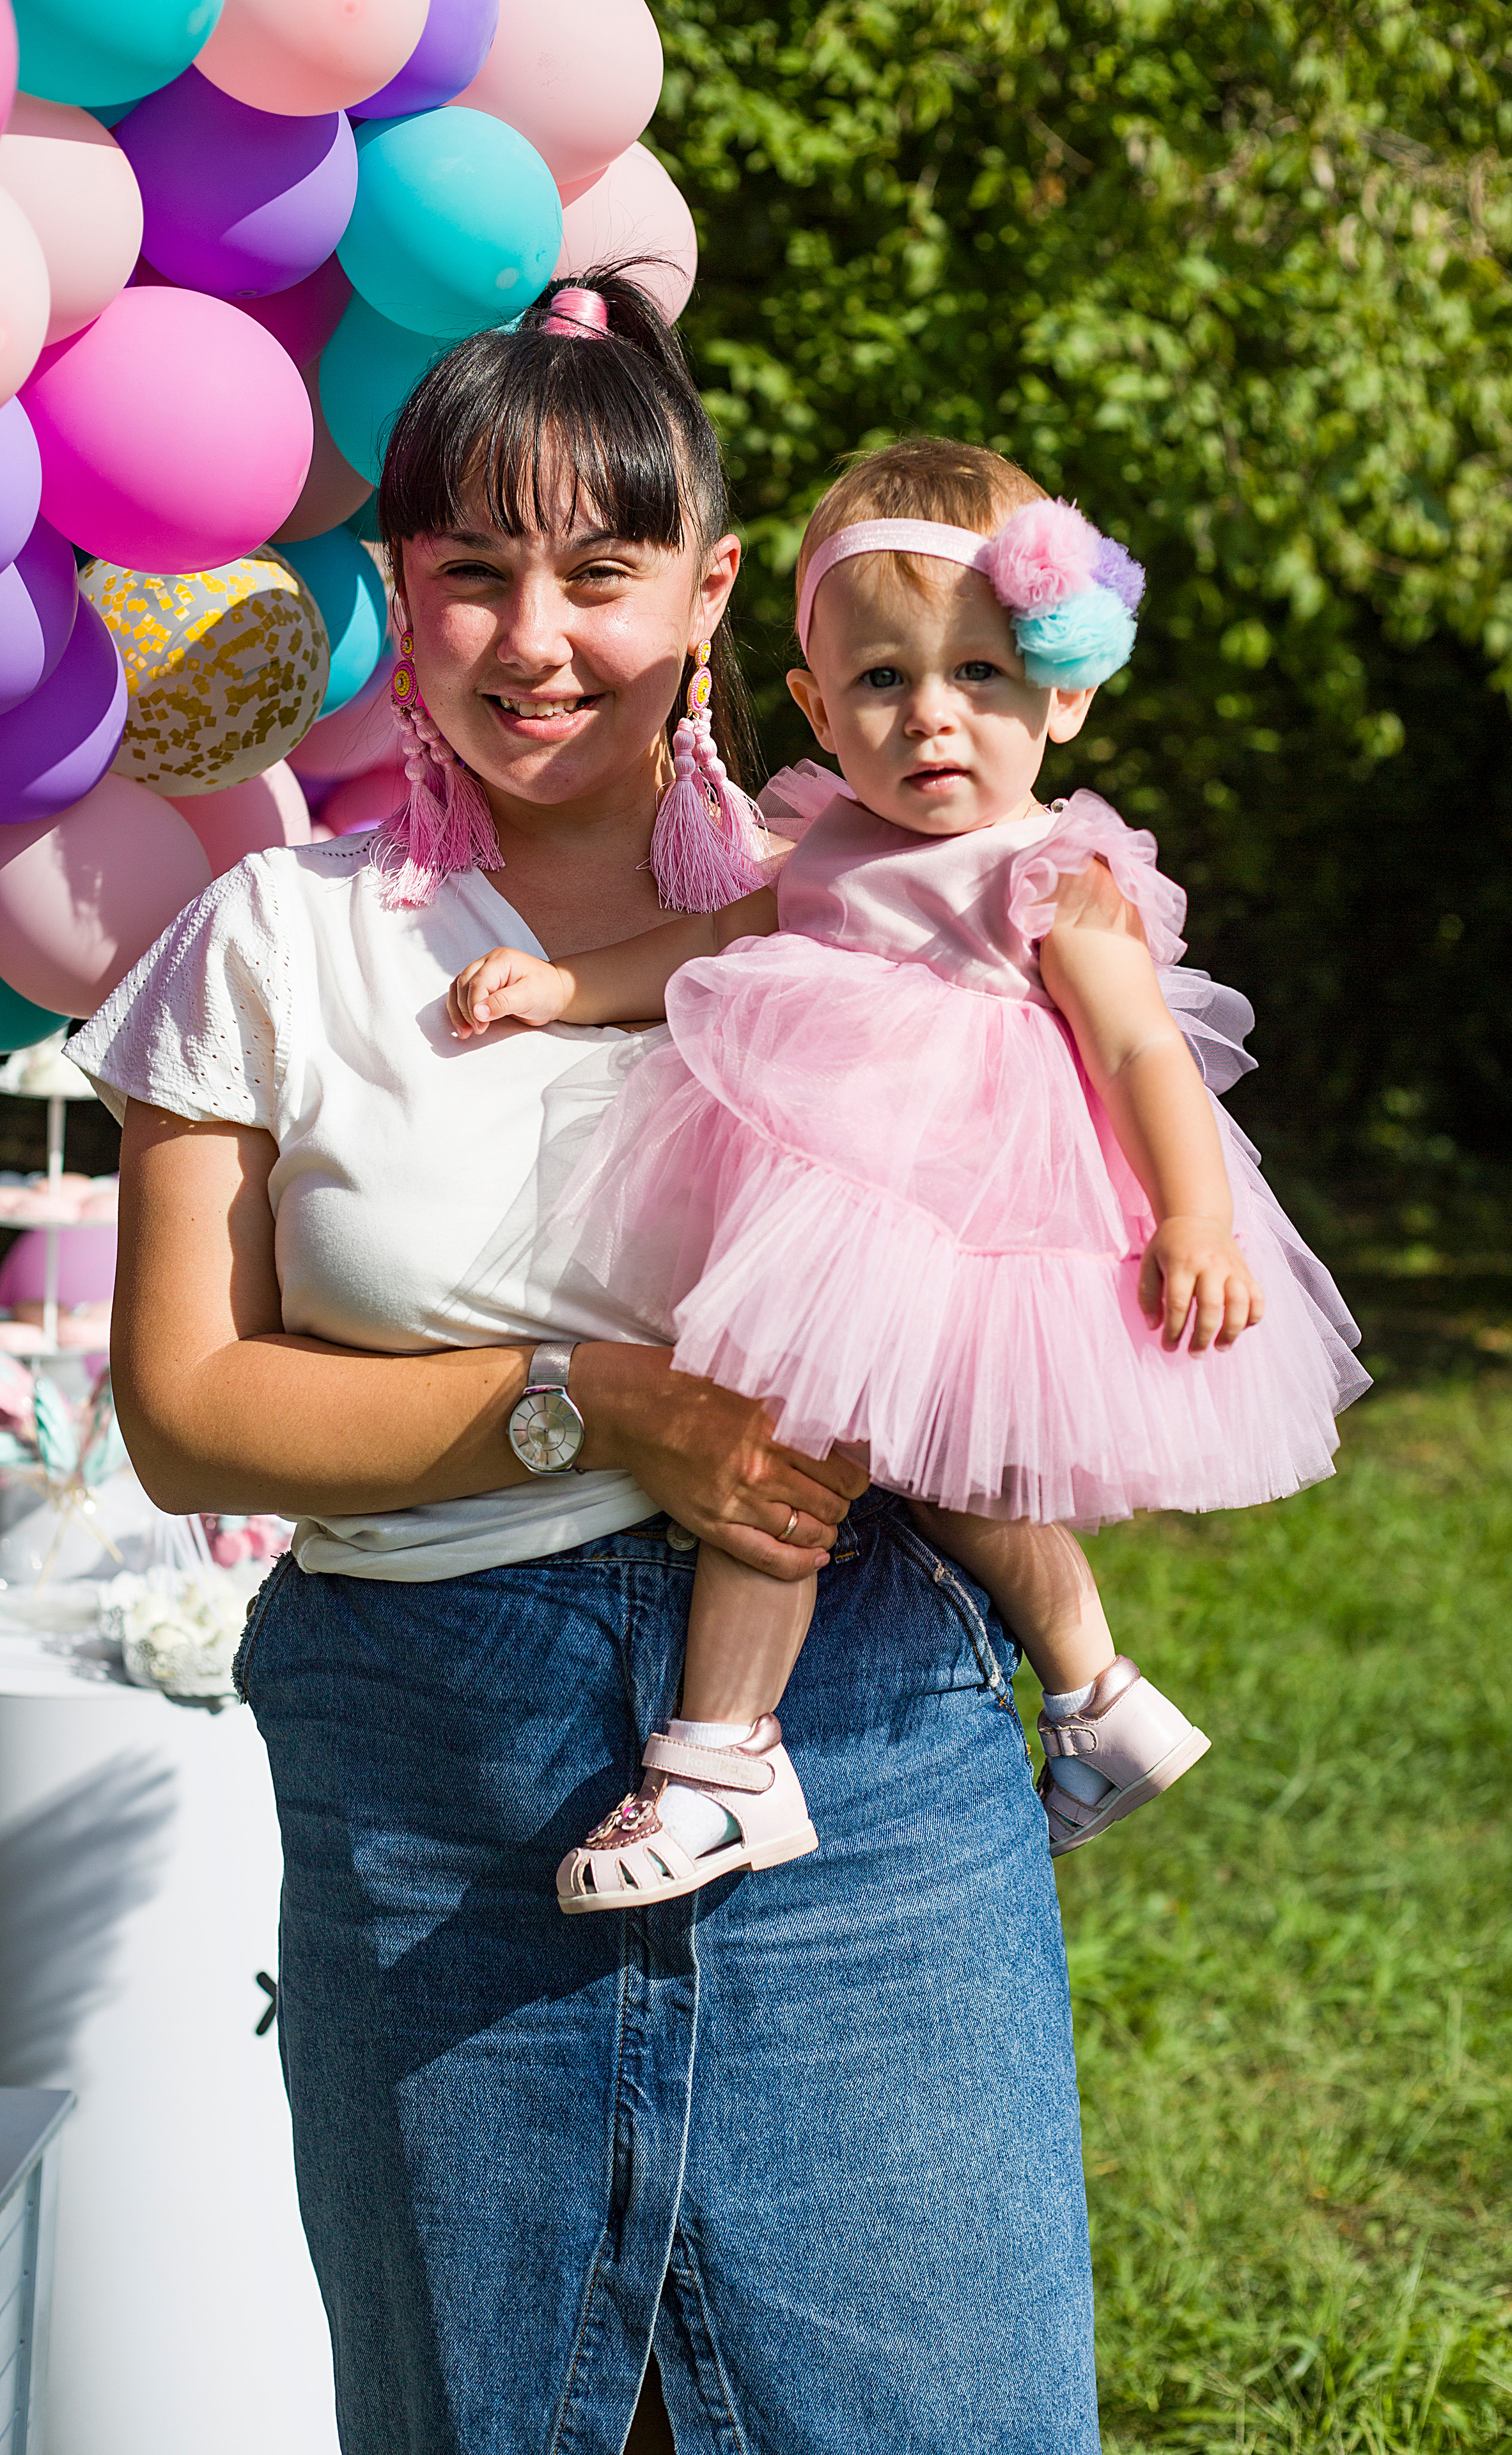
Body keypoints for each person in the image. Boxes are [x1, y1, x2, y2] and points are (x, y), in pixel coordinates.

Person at [66, 275, 1102, 2454]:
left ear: (720, 596)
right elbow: (184, 1414)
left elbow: (1060, 1278)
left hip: (856, 1757)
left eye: (604, 574)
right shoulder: (268, 943)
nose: (536, 643)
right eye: (472, 576)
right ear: (397, 590)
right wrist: (600, 1401)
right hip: (441, 1783)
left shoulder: (882, 901)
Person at [447, 436, 1369, 1912]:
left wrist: (1191, 1213)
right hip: (853, 1208)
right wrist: (564, 988)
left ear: (1060, 695)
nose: (930, 720)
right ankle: (1098, 1694)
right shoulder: (824, 843)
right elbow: (704, 946)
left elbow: (1139, 1054)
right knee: (954, 1475)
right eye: (881, 683)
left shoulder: (1049, 876)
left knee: (785, 1443)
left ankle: (721, 1758)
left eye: (978, 680)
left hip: (961, 1214)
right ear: (815, 701)